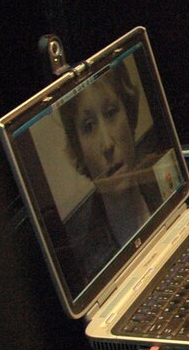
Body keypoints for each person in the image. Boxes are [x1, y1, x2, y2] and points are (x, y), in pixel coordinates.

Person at [60, 60, 161, 285]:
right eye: (88, 126)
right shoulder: (91, 264)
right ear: (78, 150)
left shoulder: (167, 193)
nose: (106, 144)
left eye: (111, 112)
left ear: (130, 114)